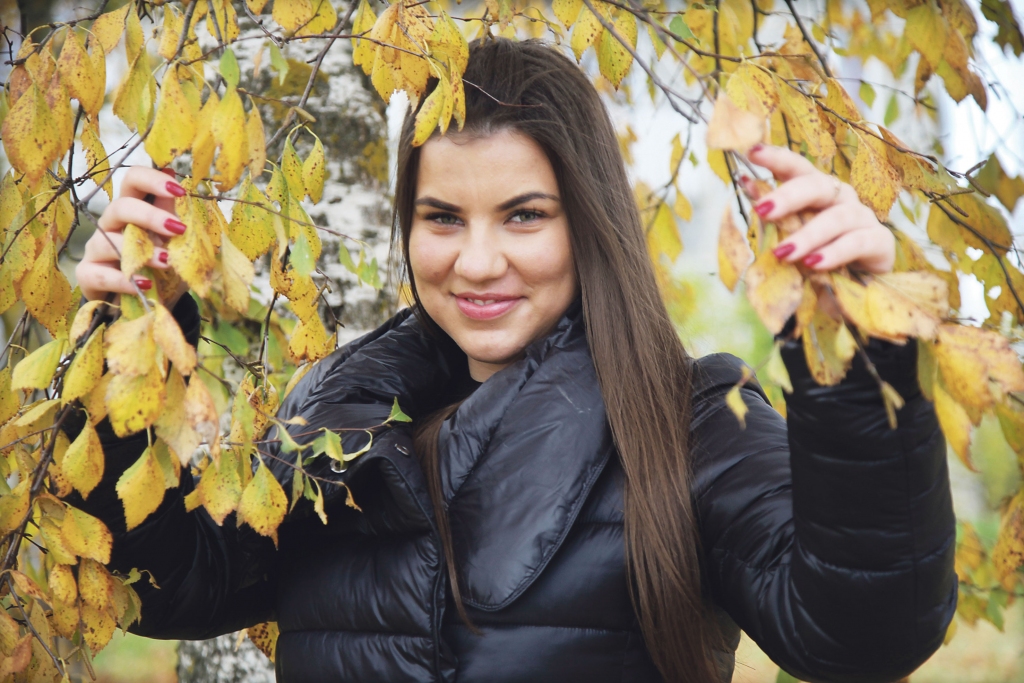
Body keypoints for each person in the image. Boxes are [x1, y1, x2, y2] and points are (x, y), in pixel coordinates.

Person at [72, 38, 956, 683]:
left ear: (590, 223)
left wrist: (859, 355)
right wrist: (130, 339)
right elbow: (168, 583)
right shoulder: (343, 422)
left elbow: (862, 632)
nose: (478, 261)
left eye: (525, 215)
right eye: (443, 218)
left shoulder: (685, 421)